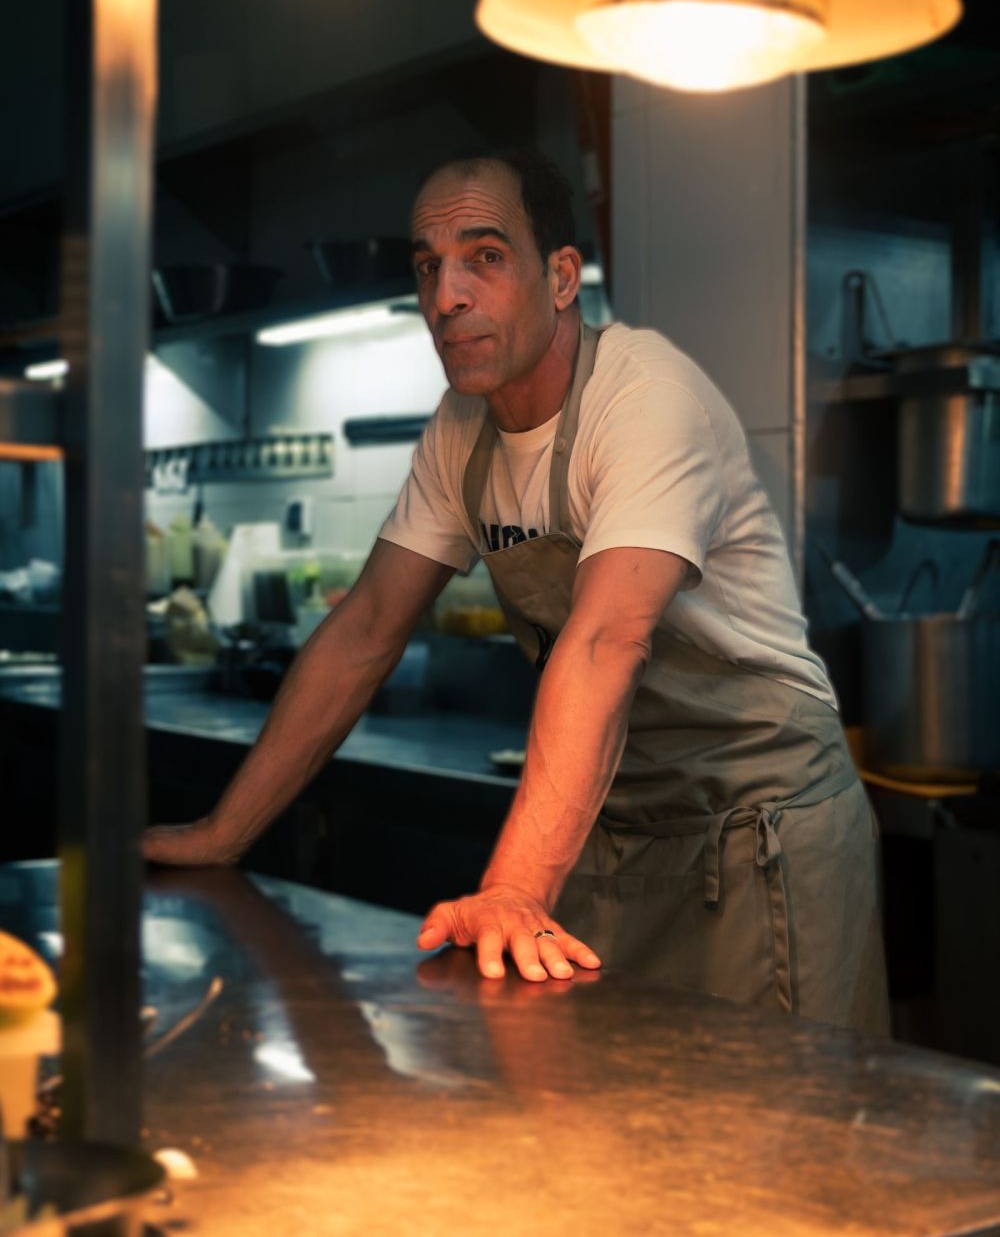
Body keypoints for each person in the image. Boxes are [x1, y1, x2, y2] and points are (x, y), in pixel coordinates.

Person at [145, 148, 890, 1034]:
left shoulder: (646, 397)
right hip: (614, 830)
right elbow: (367, 630)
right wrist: (225, 832)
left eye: (485, 257)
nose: (446, 296)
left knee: (772, 1141)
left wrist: (510, 890)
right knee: (609, 1134)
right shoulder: (463, 429)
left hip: (759, 831)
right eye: (429, 267)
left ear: (563, 276)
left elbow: (606, 640)